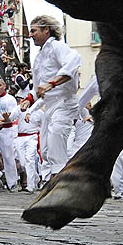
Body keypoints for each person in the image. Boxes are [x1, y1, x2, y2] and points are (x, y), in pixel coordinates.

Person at [21, 15, 81, 183]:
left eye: (33, 31)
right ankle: (60, 178)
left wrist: (51, 84)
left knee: (56, 135)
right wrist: (29, 100)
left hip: (65, 101)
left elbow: (74, 62)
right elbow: (37, 88)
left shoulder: (58, 46)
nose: (30, 35)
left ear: (46, 30)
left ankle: (58, 182)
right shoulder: (38, 57)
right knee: (46, 149)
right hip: (49, 105)